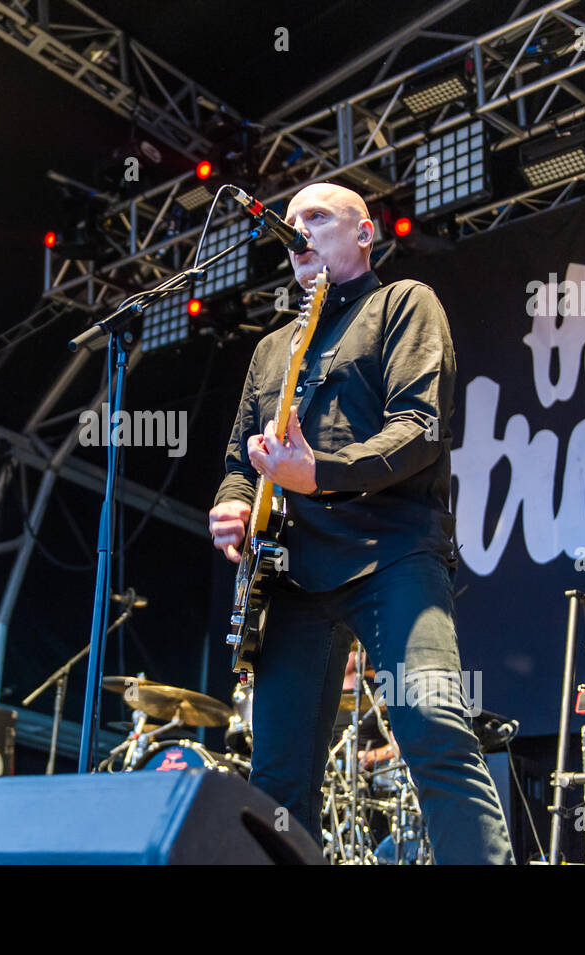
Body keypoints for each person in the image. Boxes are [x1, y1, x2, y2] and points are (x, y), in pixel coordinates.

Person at [208, 182, 513, 863]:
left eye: (316, 217)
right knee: (277, 783)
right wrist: (232, 503)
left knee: (434, 730)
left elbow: (420, 429)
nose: (298, 231)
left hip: (392, 552)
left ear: (364, 232)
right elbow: (238, 461)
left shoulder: (404, 304)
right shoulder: (270, 350)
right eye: (289, 222)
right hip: (291, 575)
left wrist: (320, 473)